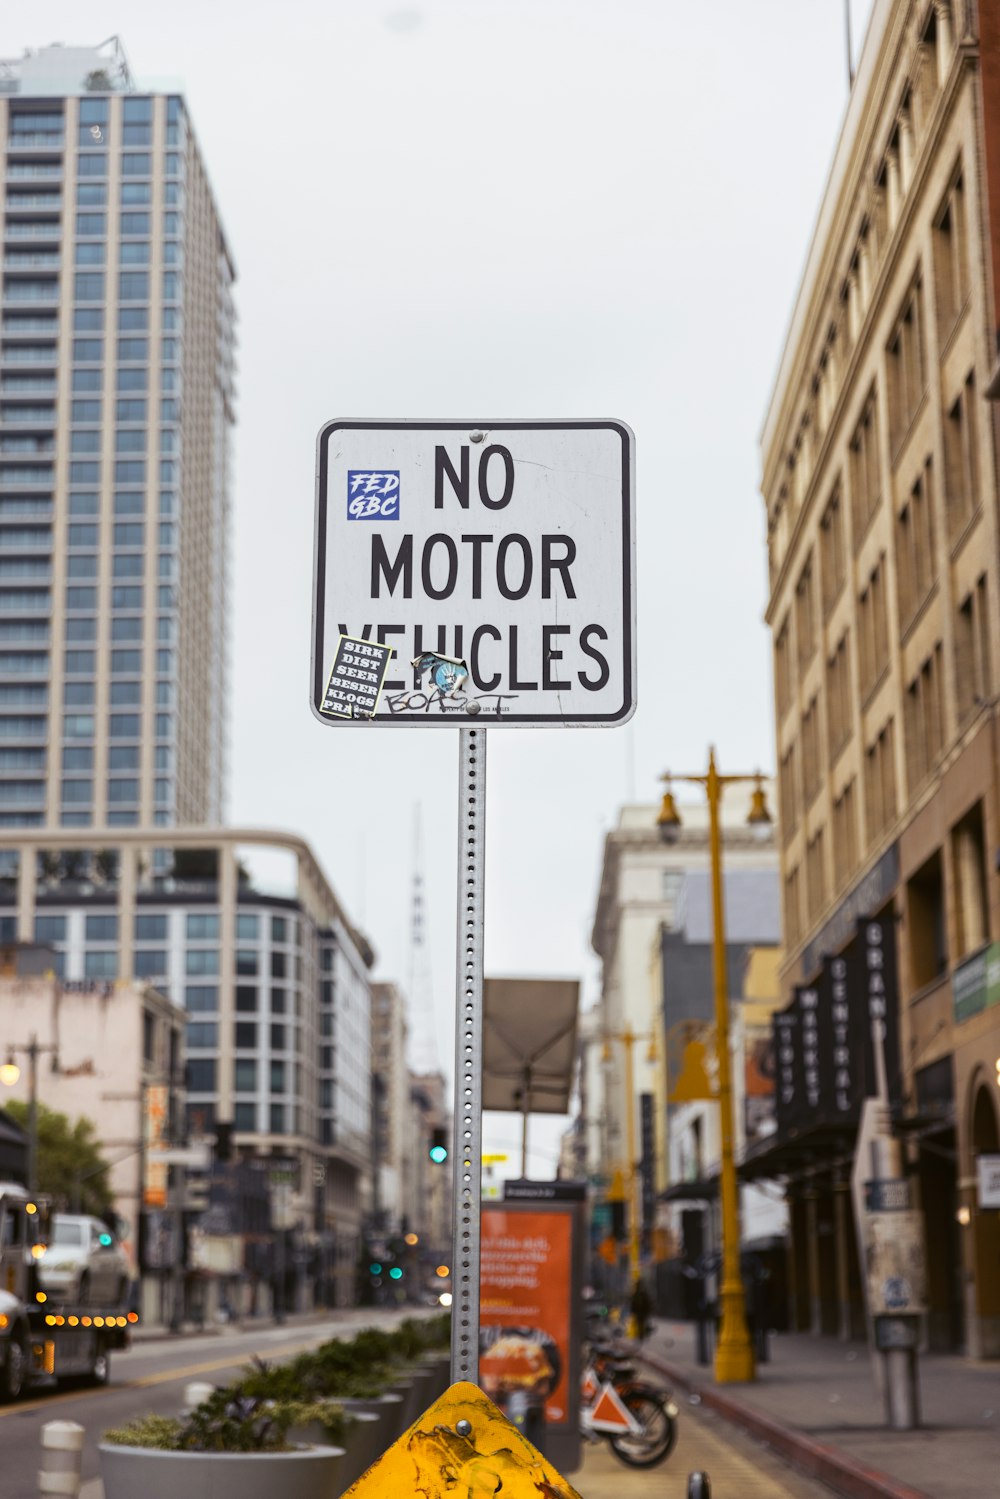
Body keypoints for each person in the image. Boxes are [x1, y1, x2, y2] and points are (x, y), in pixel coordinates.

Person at [629, 1276, 653, 1341]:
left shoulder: (642, 1293)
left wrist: (648, 1310)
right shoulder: (637, 1293)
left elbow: (647, 1303)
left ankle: (641, 1335)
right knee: (639, 1323)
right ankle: (640, 1335)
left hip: (642, 1311)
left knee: (641, 1323)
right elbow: (633, 1302)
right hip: (639, 1311)